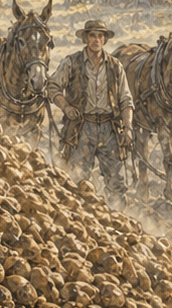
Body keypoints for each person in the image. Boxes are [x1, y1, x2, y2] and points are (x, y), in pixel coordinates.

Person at [47, 19, 134, 208]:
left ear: (105, 40)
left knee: (116, 183)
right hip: (81, 128)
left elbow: (126, 100)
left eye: (100, 36)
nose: (96, 39)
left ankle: (118, 222)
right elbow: (53, 86)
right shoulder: (71, 62)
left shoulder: (115, 66)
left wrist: (128, 129)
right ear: (86, 38)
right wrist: (66, 107)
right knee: (77, 180)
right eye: (93, 35)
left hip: (109, 129)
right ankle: (79, 224)